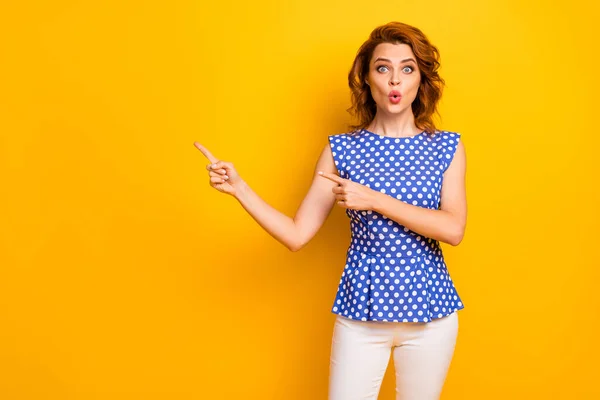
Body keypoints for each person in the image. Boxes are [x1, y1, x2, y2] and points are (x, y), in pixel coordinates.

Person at [195, 21, 466, 400]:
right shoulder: (342, 149)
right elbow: (296, 234)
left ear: (421, 79)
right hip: (361, 315)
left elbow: (453, 229)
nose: (395, 81)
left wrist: (373, 200)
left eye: (407, 68)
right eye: (383, 68)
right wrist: (239, 188)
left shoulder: (446, 147)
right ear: (366, 78)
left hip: (432, 317)